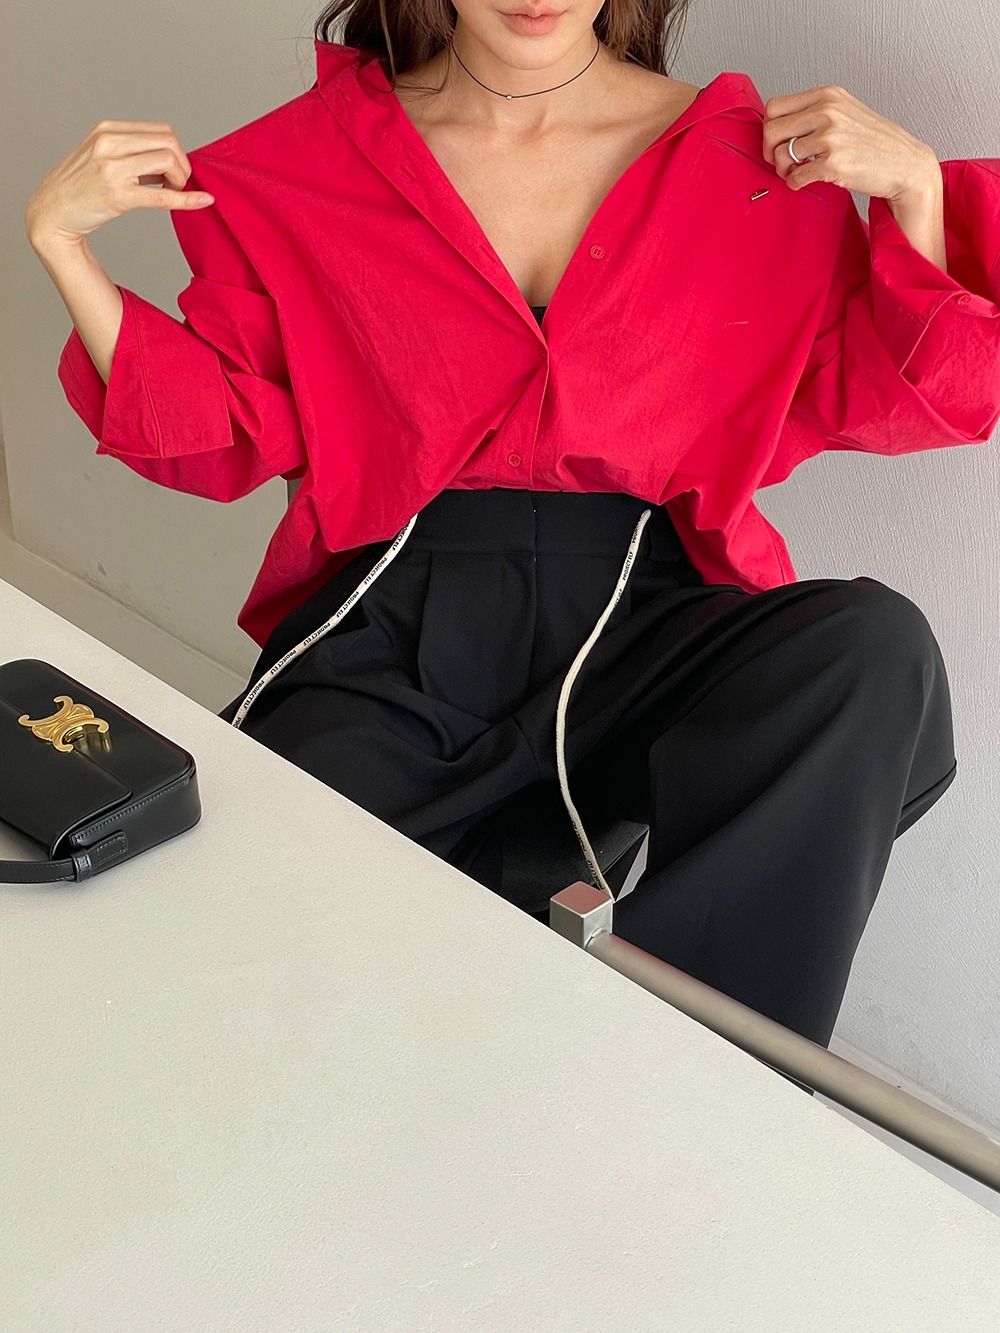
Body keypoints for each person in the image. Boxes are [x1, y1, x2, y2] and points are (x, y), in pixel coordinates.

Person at [25, 2, 1000, 1078]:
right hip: (399, 631)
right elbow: (222, 431)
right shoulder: (302, 162)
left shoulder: (752, 163)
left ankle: (691, 1084)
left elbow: (891, 395)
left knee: (871, 647)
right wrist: (64, 249)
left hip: (650, 625)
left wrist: (915, 197)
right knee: (229, 943)